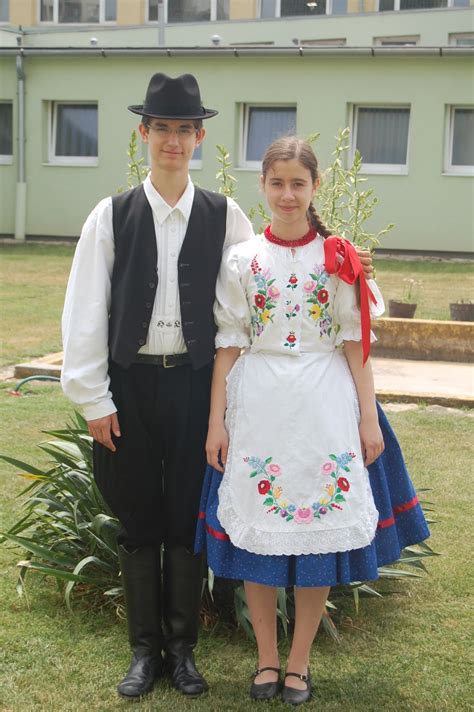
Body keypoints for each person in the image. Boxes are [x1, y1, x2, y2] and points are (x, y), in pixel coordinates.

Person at [197, 136, 430, 705]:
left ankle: (298, 663)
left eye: (298, 183)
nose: (287, 194)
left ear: (314, 187)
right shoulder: (242, 259)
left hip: (326, 403)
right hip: (260, 406)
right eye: (276, 183)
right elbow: (229, 344)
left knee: (315, 533)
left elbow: (355, 343)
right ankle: (266, 661)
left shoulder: (341, 258)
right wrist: (216, 422)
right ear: (263, 187)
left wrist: (369, 421)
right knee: (260, 532)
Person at [60, 73, 258, 700]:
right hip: (129, 388)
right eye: (162, 129)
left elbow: (249, 310)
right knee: (139, 521)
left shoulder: (227, 217)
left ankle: (183, 651)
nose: (173, 141)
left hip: (198, 389)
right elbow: (85, 312)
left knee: (185, 521)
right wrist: (94, 399)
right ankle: (143, 654)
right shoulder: (111, 215)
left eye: (184, 130)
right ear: (144, 133)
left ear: (200, 138)